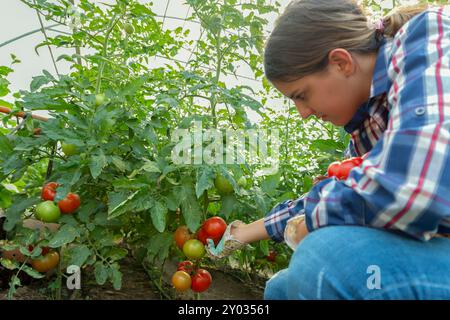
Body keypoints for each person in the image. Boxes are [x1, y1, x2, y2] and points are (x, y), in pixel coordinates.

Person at [206, 0, 450, 300]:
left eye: (302, 95)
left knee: (324, 261)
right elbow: (347, 196)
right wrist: (241, 234)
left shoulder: (429, 38)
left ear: (341, 62)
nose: (303, 113)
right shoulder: (367, 129)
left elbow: (413, 188)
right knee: (280, 288)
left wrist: (312, 220)